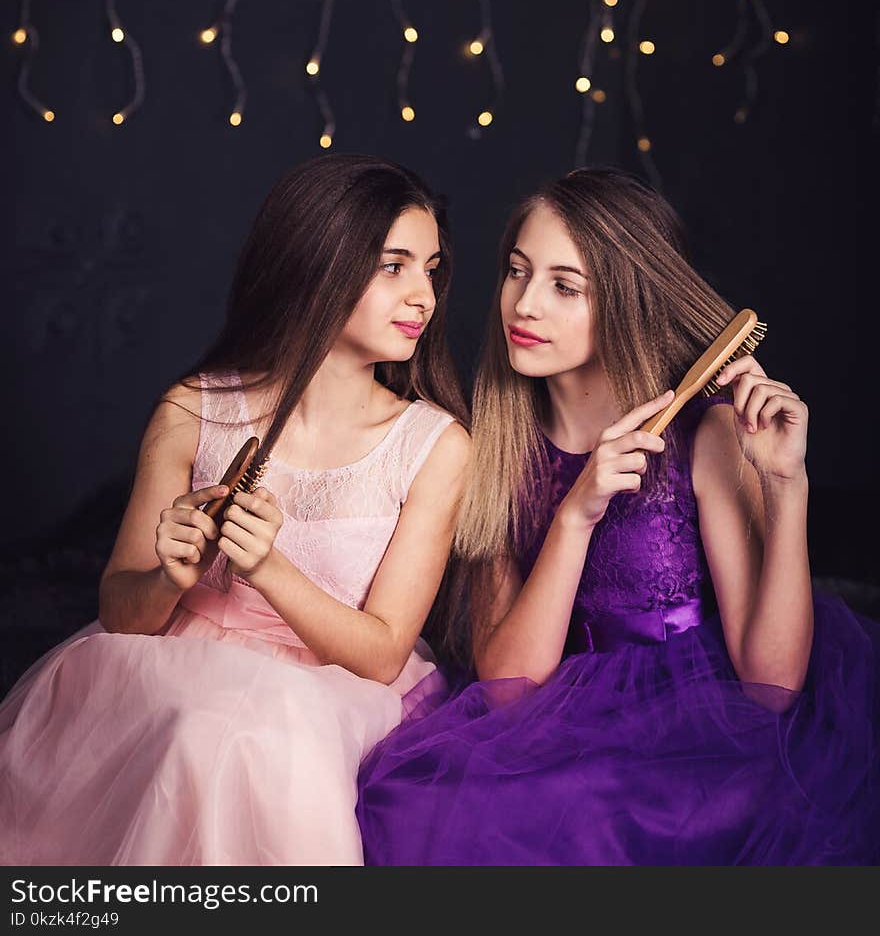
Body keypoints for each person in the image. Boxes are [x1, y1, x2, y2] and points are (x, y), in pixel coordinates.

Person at [356, 166, 880, 865]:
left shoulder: (707, 436)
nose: (524, 304)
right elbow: (509, 688)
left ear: (628, 302)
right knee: (420, 806)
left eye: (564, 286)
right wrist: (576, 515)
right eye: (517, 272)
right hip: (555, 735)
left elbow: (773, 687)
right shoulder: (496, 449)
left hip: (706, 734)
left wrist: (786, 484)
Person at [0, 154, 470, 866]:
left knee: (246, 738)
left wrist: (269, 569)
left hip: (334, 698)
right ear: (318, 263)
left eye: (431, 269)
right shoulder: (194, 410)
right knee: (198, 728)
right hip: (174, 674)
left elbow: (381, 654)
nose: (424, 298)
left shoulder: (433, 446)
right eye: (393, 266)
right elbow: (123, 612)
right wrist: (171, 574)